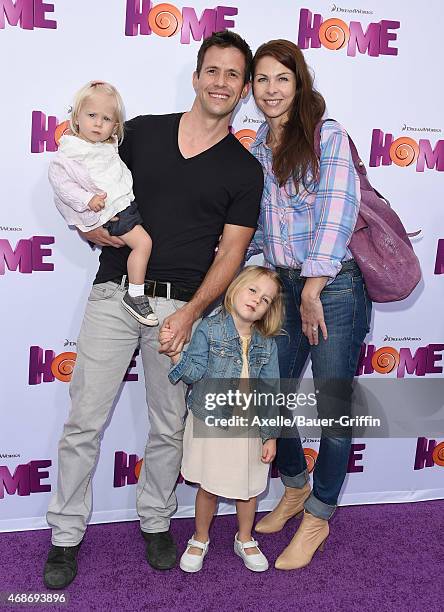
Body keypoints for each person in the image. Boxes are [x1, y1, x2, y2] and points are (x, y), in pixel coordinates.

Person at [43, 30, 264, 589]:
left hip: (180, 309)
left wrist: (189, 315)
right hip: (116, 294)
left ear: (241, 90)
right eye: (211, 70)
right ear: (195, 77)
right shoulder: (140, 133)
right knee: (83, 422)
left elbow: (233, 254)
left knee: (168, 426)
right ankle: (65, 535)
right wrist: (92, 230)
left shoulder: (244, 170)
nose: (220, 82)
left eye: (232, 75)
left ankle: (157, 521)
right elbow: (81, 178)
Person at [247, 39, 372, 570]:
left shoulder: (327, 136)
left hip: (333, 288)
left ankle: (319, 514)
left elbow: (337, 211)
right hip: (281, 285)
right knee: (270, 394)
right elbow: (256, 227)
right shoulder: (254, 143)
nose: (271, 90)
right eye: (262, 80)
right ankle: (295, 487)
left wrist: (315, 287)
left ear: (299, 83)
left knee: (332, 408)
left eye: (282, 78)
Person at [166, 266, 284, 573]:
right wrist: (176, 355)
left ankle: (244, 538)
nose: (258, 300)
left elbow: (271, 390)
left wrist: (269, 434)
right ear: (235, 288)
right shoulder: (209, 328)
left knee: (249, 486)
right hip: (212, 422)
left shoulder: (267, 342)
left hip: (250, 427)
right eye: (253, 290)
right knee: (210, 484)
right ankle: (200, 536)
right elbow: (192, 373)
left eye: (267, 299)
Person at [49, 80, 158, 326]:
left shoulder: (107, 146)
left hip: (122, 205)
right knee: (144, 243)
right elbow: (61, 183)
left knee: (143, 242)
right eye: (91, 115)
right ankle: (136, 295)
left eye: (106, 119)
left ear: (116, 126)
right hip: (110, 212)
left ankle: (134, 292)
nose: (98, 123)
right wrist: (88, 200)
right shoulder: (71, 151)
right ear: (77, 118)